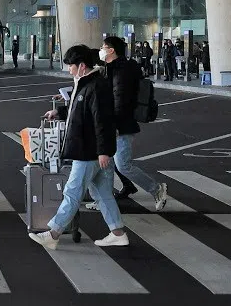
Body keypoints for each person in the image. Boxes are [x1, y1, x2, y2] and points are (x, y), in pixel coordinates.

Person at [28, 45, 128, 249]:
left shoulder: (95, 86)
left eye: (71, 66)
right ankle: (118, 233)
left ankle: (53, 233)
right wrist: (60, 112)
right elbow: (80, 110)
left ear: (82, 66)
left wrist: (103, 151)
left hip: (89, 151)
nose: (69, 70)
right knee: (103, 194)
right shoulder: (86, 84)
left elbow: (102, 122)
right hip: (93, 151)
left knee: (72, 192)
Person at [99, 37, 168, 210]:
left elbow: (120, 100)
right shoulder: (113, 68)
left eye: (103, 47)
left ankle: (156, 188)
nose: (101, 50)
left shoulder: (121, 71)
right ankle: (104, 200)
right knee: (108, 164)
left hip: (121, 124)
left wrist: (115, 125)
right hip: (115, 123)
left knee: (123, 165)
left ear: (111, 50)